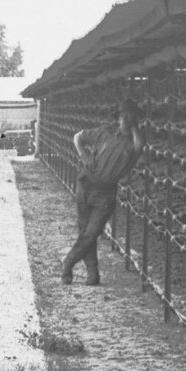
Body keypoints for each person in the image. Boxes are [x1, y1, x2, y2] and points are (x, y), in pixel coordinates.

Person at [61, 99, 146, 286]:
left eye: (129, 115)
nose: (125, 118)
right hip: (87, 184)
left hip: (106, 193)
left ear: (134, 119)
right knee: (85, 230)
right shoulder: (105, 131)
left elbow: (140, 145)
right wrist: (84, 155)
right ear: (116, 117)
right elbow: (78, 137)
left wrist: (132, 127)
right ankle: (93, 273)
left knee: (91, 233)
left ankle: (68, 262)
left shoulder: (134, 142)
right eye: (122, 115)